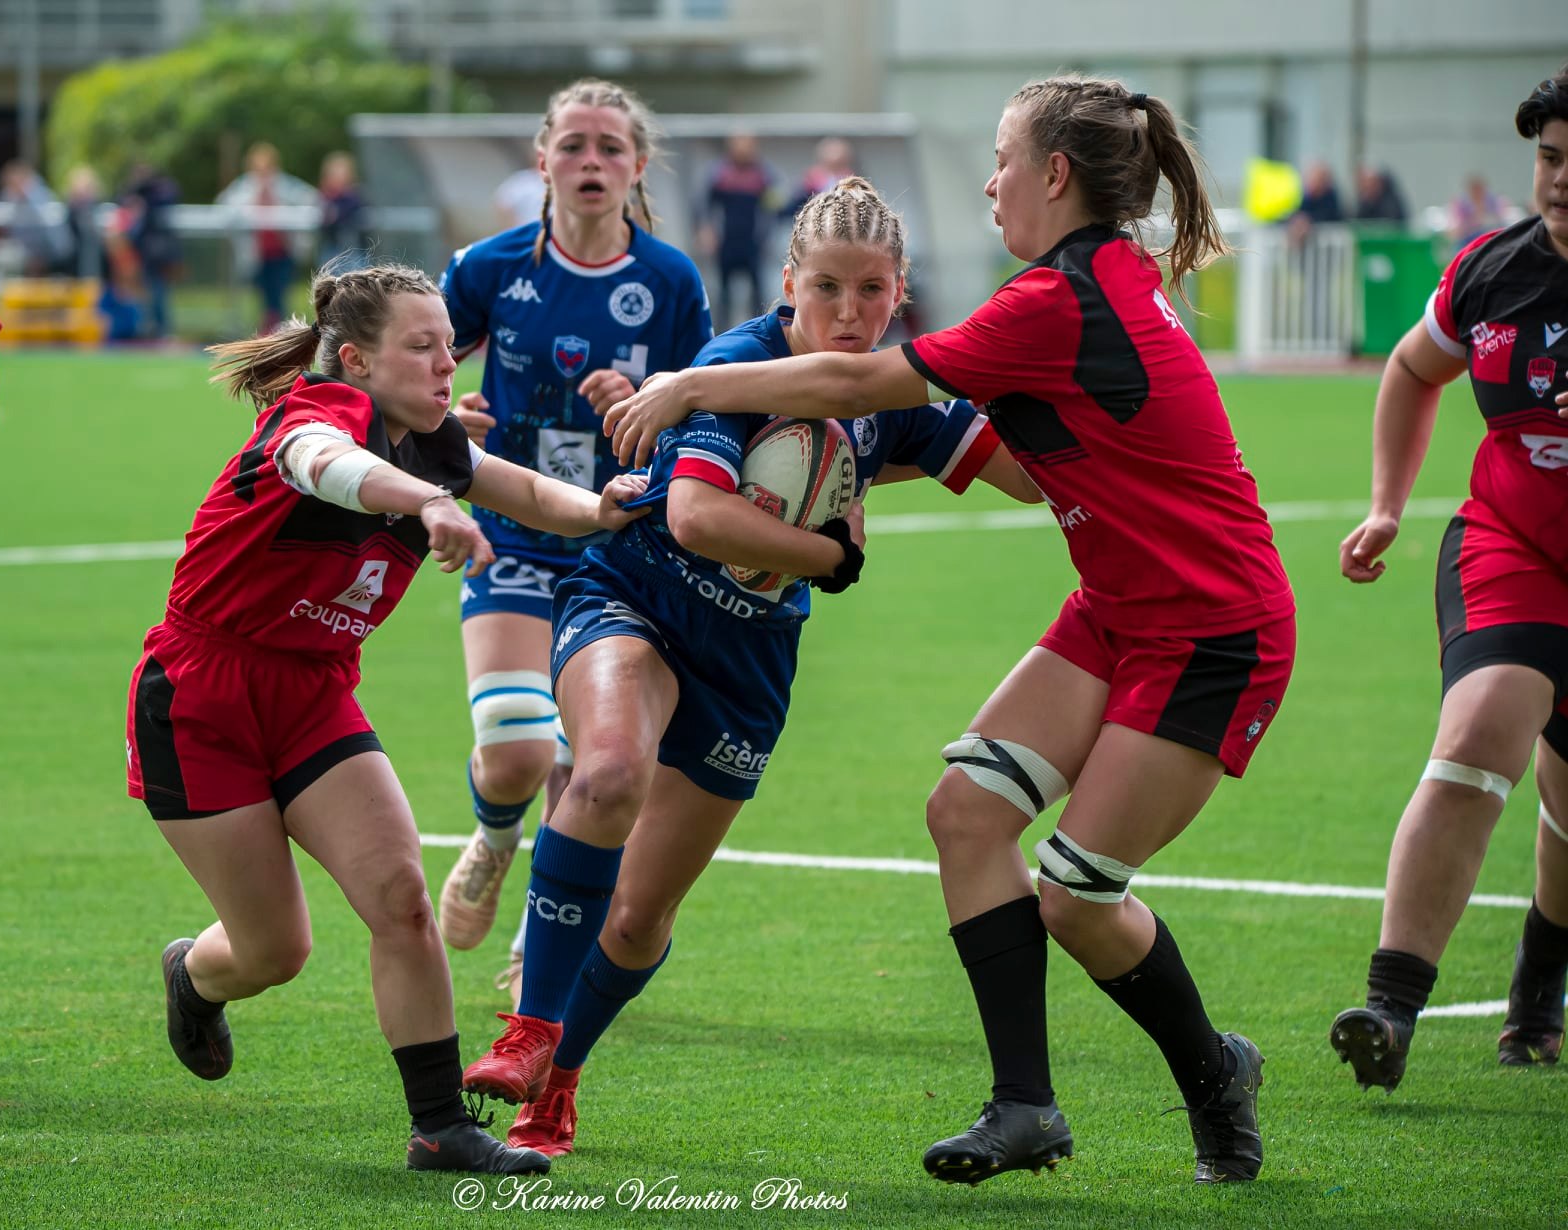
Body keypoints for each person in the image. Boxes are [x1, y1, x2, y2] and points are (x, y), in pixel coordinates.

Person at [605, 75, 1297, 1186]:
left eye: (1004, 160)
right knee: (967, 812)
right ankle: (1025, 1105)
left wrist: (695, 386)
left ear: (1055, 176)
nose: (991, 182)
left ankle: (1216, 1075)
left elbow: (865, 380)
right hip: (1122, 609)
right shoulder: (1087, 280)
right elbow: (1004, 455)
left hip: (1212, 627)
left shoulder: (1059, 300)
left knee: (1074, 894)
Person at [463, 176, 1039, 1157]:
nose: (848, 316)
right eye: (826, 289)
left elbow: (1027, 478)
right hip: (637, 600)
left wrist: (1046, 391)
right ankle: (528, 1031)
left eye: (870, 292)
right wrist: (836, 556)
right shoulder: (740, 362)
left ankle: (559, 1079)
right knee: (605, 772)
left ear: (901, 289)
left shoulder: (894, 390)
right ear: (787, 282)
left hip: (748, 663)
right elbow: (695, 517)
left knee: (641, 920)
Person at [128, 262, 645, 1175]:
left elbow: (527, 493)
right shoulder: (312, 420)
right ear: (358, 360)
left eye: (451, 344)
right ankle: (194, 975)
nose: (448, 364)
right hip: (201, 695)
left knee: (402, 899)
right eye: (423, 346)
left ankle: (439, 1126)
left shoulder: (436, 444)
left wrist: (602, 508)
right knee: (275, 950)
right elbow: (330, 469)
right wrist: (427, 500)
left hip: (314, 693)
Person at [433, 78, 713, 1000]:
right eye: (575, 146)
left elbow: (705, 420)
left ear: (637, 168)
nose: (591, 163)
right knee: (515, 753)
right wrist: (450, 413)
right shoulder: (486, 267)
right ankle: (492, 836)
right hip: (512, 531)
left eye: (610, 148)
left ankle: (531, 944)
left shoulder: (670, 281)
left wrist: (643, 413)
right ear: (542, 158)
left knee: (579, 765)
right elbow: (414, 377)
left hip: (616, 552)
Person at [1329, 64, 1568, 1089]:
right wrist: (1387, 501)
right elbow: (1411, 368)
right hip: (1510, 549)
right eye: (1551, 159)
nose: (1559, 180)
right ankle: (1390, 1008)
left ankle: (1534, 987)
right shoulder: (1490, 270)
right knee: (1478, 737)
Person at [216, 142, 318, 334]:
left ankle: (281, 332)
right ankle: (267, 329)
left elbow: (311, 198)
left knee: (278, 292)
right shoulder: (244, 187)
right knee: (262, 293)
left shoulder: (286, 185)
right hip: (256, 253)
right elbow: (225, 204)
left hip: (281, 250)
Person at [701, 131, 780, 325]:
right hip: (726, 241)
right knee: (723, 293)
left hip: (753, 242)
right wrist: (707, 230)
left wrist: (768, 236)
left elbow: (774, 207)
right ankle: (721, 332)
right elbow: (704, 205)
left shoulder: (762, 175)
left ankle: (760, 330)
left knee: (757, 293)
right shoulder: (721, 174)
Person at [120, 163, 180, 339]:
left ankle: (161, 328)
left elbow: (170, 197)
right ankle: (143, 327)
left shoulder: (160, 190)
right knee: (139, 292)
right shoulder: (133, 192)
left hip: (157, 253)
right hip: (138, 251)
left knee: (158, 291)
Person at [316, 152, 371, 274]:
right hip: (332, 248)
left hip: (354, 250)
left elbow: (346, 212)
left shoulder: (355, 196)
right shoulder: (325, 197)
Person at [1449, 175, 1513, 251]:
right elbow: (1457, 229)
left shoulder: (1493, 201)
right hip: (1467, 239)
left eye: (1479, 189)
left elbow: (1500, 219)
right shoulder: (1461, 204)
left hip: (1489, 237)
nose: (1477, 192)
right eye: (1474, 189)